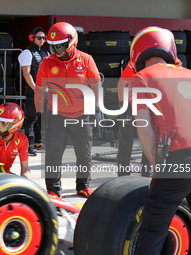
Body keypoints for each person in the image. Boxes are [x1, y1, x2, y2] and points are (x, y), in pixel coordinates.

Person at [127, 26, 191, 255]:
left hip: (178, 158)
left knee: (153, 228)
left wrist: (158, 168)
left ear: (136, 55)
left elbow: (145, 131)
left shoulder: (140, 79)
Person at [34, 22, 102, 198]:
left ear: (72, 42)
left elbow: (95, 84)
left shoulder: (86, 59)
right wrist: (40, 113)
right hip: (56, 115)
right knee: (53, 154)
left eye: (61, 46)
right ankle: (53, 189)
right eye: (53, 47)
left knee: (84, 152)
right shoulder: (47, 63)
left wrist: (95, 109)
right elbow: (40, 89)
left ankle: (83, 186)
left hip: (82, 115)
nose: (57, 51)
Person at [117, 42, 183, 177]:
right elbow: (121, 83)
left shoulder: (176, 63)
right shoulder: (134, 63)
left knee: (151, 137)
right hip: (132, 103)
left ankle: (147, 174)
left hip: (155, 103)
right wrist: (122, 105)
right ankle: (122, 175)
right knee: (126, 139)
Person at [18, 27, 49, 156]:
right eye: (39, 38)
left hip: (46, 91)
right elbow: (26, 74)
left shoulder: (46, 53)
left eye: (44, 38)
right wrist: (35, 89)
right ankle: (29, 146)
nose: (42, 40)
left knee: (43, 118)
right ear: (32, 38)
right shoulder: (27, 53)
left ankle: (38, 143)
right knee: (31, 119)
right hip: (33, 92)